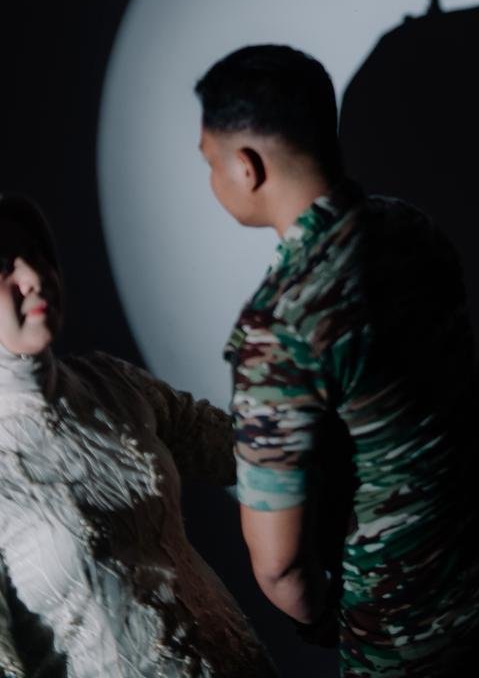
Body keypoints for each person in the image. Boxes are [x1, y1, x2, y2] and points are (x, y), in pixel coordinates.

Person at [195, 44, 479, 677]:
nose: (212, 178)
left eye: (209, 161)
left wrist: (323, 620)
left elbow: (279, 565)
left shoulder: (280, 329)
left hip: (415, 635)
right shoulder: (411, 229)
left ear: (246, 167)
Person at [0, 192, 276, 678]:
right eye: (4, 267)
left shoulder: (111, 384)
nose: (34, 277)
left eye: (38, 255)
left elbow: (243, 450)